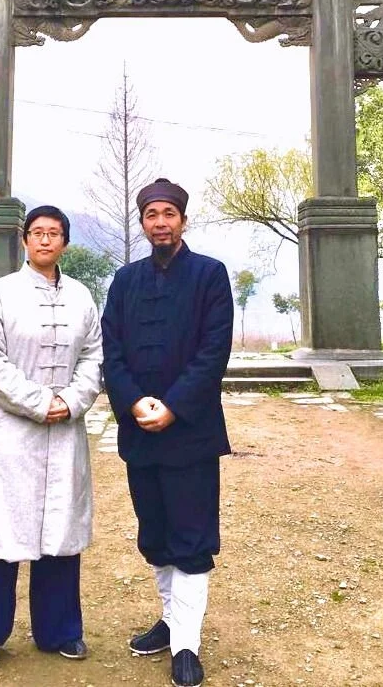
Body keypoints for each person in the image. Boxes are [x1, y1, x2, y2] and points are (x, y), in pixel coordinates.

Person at [101, 178, 234, 687]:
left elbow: (212, 352)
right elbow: (111, 350)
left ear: (183, 220)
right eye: (152, 214)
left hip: (190, 432)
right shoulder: (124, 281)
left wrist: (173, 407)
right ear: (142, 223)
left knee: (191, 538)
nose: (160, 222)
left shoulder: (209, 275)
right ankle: (170, 618)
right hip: (140, 430)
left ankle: (187, 644)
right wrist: (135, 402)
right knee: (155, 534)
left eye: (169, 214)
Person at [0, 205, 103, 673]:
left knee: (60, 530)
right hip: (11, 431)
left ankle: (60, 630)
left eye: (54, 233)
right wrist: (39, 402)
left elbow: (94, 358)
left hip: (65, 429)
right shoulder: (0, 294)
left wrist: (72, 400)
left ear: (65, 242)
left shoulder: (82, 296)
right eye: (37, 233)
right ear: (25, 240)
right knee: (2, 528)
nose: (45, 240)